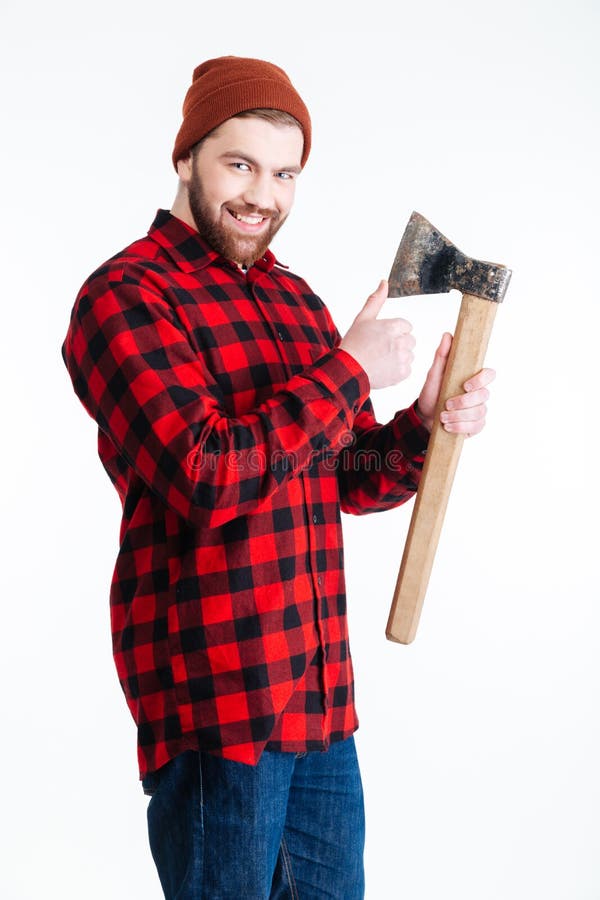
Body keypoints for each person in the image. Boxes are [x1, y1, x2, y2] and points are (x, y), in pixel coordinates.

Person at [61, 56, 494, 900]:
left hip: (320, 701)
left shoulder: (296, 303)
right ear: (186, 157)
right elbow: (206, 475)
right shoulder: (124, 297)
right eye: (241, 164)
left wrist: (423, 425)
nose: (265, 193)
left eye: (286, 172)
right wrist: (348, 373)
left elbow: (349, 479)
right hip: (218, 698)